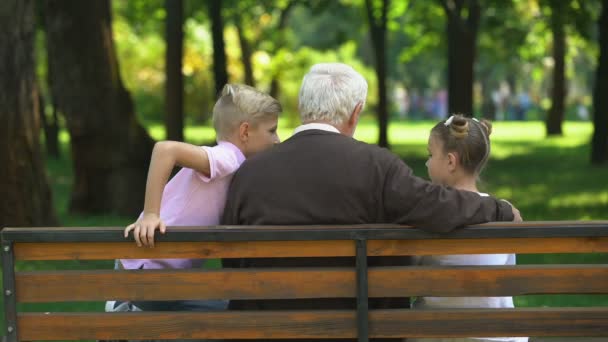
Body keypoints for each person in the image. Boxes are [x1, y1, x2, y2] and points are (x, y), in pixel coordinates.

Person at [221, 63, 521, 341]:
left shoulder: (250, 174)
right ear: (355, 113)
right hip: (361, 332)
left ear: (302, 108)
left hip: (267, 331)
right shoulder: (376, 166)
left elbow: (231, 260)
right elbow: (436, 205)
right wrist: (499, 209)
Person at [106, 84, 281, 313]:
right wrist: (150, 215)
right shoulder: (227, 158)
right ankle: (125, 313)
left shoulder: (233, 162)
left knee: (216, 312)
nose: (277, 139)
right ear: (245, 132)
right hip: (148, 269)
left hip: (158, 271)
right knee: (228, 316)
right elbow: (165, 150)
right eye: (272, 130)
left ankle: (126, 313)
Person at [410, 114, 528, 342]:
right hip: (495, 337)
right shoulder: (503, 214)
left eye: (430, 154)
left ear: (451, 161)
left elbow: (408, 270)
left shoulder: (430, 214)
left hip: (435, 335)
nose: (426, 162)